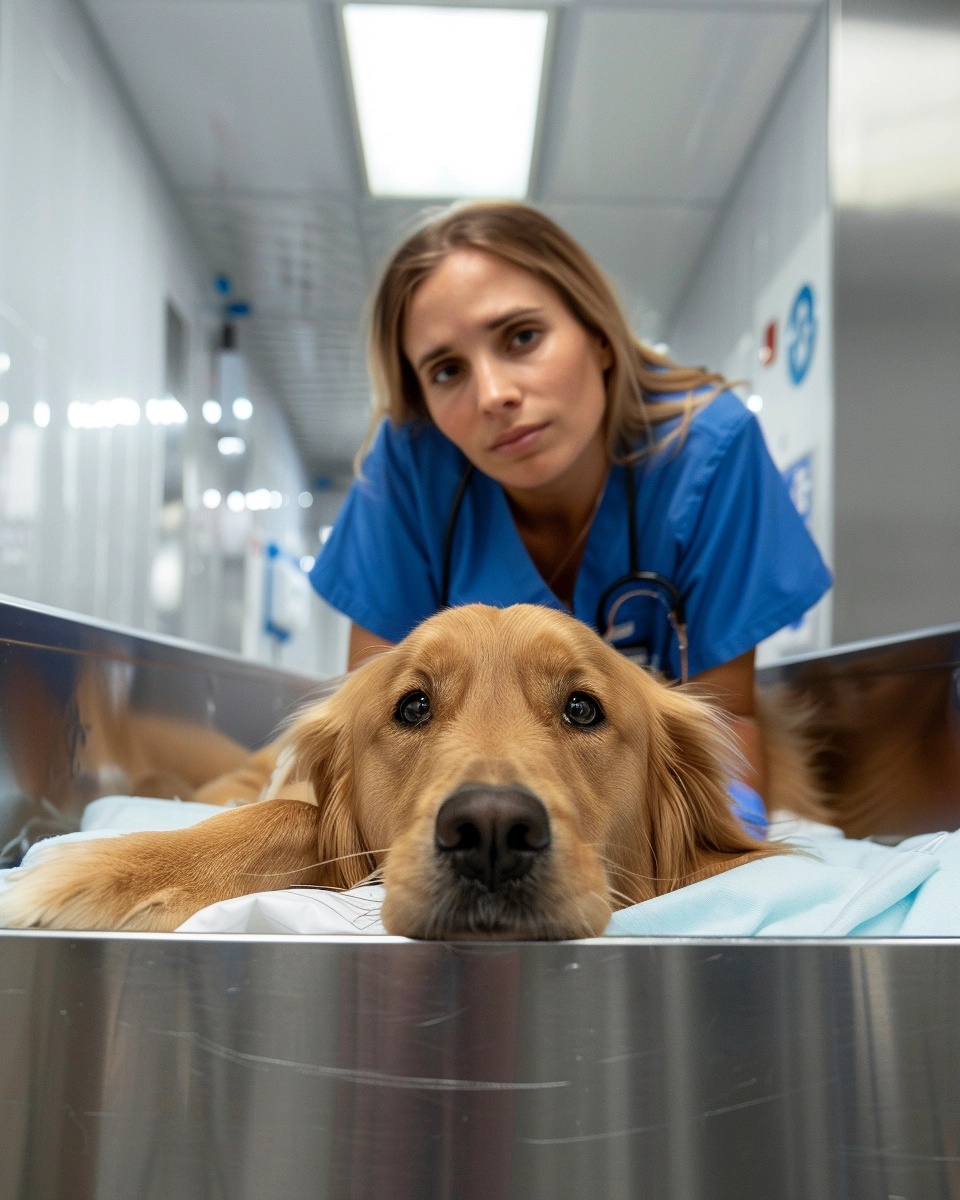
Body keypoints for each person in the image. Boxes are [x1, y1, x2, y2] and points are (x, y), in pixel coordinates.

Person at [309, 202, 831, 812]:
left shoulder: (710, 453)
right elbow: (370, 735)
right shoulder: (409, 468)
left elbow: (727, 727)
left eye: (522, 337)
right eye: (447, 370)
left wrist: (719, 870)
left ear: (600, 336)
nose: (494, 395)